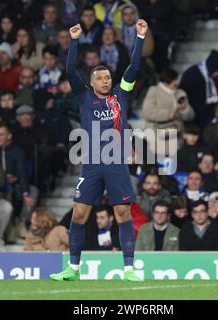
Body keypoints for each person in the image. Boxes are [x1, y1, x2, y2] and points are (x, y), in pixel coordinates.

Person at [50, 20, 148, 282]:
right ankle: (73, 268)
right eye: (101, 78)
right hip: (92, 163)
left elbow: (134, 67)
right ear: (91, 83)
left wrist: (139, 37)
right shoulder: (83, 96)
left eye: (108, 77)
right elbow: (70, 68)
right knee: (79, 214)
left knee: (122, 213)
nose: (106, 81)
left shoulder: (121, 95)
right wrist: (74, 41)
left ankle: (128, 269)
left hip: (116, 163)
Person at [141, 67, 194, 156]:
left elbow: (190, 116)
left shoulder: (181, 93)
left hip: (176, 137)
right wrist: (169, 114)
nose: (177, 82)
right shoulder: (154, 91)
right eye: (174, 80)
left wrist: (184, 109)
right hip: (157, 136)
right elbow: (147, 111)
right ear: (166, 82)